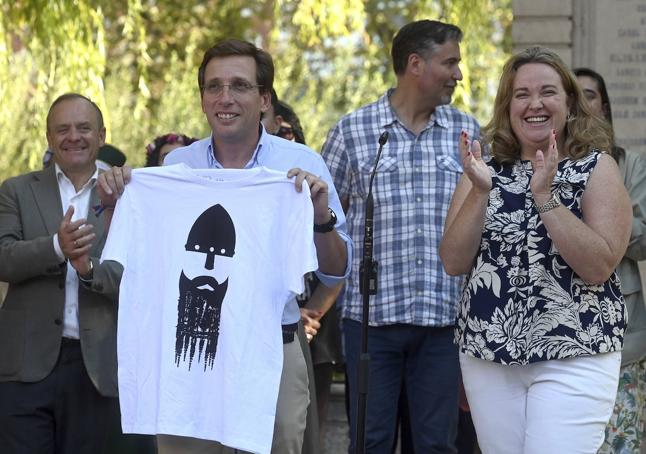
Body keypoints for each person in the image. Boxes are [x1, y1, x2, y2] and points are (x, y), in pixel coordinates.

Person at [97, 38, 352, 454]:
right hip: (189, 354)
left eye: (239, 86)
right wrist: (113, 207)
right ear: (201, 100)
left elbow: (335, 271)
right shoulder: (174, 170)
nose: (225, 97)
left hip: (273, 347)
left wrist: (320, 216)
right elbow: (140, 260)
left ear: (265, 98)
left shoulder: (300, 167)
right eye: (214, 87)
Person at [439, 46, 632, 454]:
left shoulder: (596, 167)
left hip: (576, 350)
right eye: (521, 94)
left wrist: (545, 196)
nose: (535, 104)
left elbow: (599, 265)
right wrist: (479, 191)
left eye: (547, 92)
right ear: (508, 106)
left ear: (569, 103)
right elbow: (453, 261)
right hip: (489, 354)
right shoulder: (482, 171)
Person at [321, 19, 480, 453]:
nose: (458, 74)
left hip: (443, 325)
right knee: (369, 444)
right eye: (450, 62)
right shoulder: (352, 132)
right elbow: (323, 223)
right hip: (371, 326)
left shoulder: (468, 134)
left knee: (435, 446)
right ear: (416, 63)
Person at [0, 93, 122, 453]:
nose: (74, 136)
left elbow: (137, 275)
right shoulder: (16, 190)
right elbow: (3, 259)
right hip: (24, 366)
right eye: (63, 129)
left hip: (98, 365)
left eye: (84, 128)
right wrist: (56, 247)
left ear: (101, 135)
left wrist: (88, 270)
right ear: (49, 138)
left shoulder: (127, 193)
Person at [574, 67, 646, 454]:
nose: (581, 103)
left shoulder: (630, 165)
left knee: (622, 443)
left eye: (590, 94)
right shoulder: (542, 165)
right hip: (562, 330)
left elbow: (643, 239)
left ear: (604, 108)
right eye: (574, 94)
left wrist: (606, 215)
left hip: (622, 333)